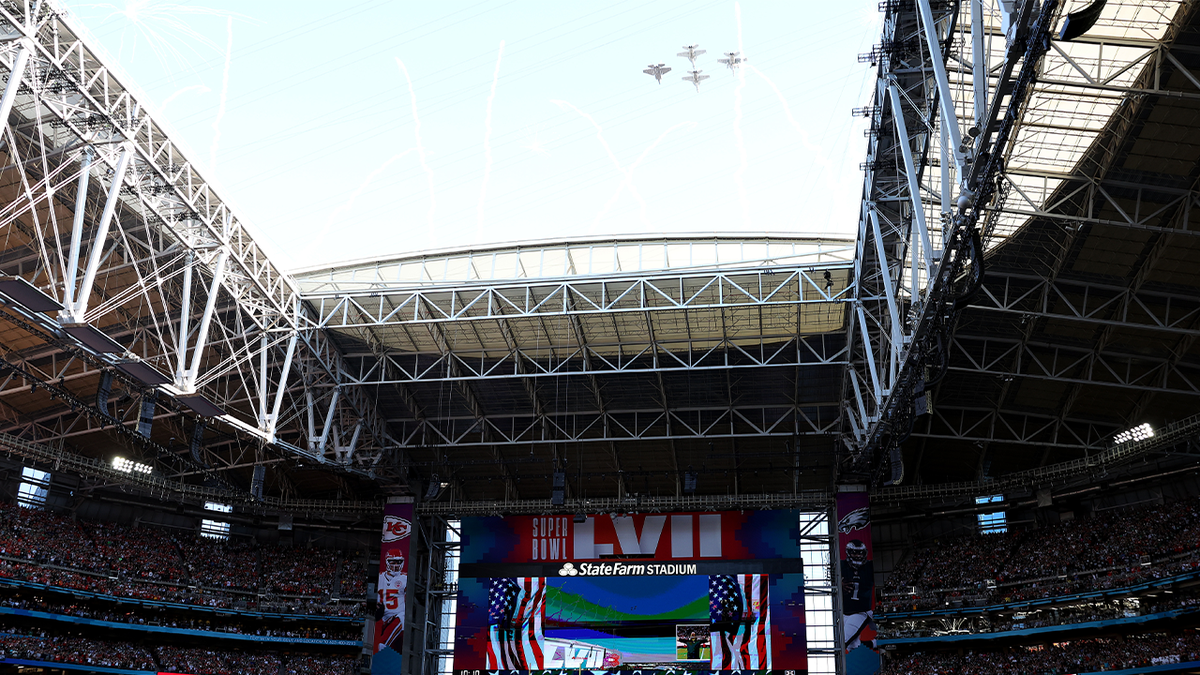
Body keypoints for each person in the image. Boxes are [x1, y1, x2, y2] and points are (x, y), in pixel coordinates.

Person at [841, 539, 878, 653]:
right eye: (855, 553)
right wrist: (838, 583)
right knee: (852, 645)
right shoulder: (841, 566)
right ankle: (868, 646)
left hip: (861, 611)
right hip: (843, 612)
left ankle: (873, 643)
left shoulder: (869, 567)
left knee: (843, 641)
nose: (857, 556)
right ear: (848, 553)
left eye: (860, 553)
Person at [375, 550, 407, 651]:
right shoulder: (380, 578)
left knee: (382, 644)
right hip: (384, 619)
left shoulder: (404, 578)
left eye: (399, 562)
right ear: (387, 562)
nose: (396, 565)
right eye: (393, 562)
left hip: (399, 617)